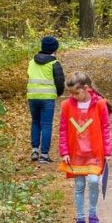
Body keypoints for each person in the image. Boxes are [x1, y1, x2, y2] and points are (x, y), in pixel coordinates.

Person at [59, 71, 112, 223]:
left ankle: (93, 214)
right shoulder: (67, 106)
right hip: (76, 153)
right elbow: (63, 130)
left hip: (94, 153)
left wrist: (107, 150)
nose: (73, 96)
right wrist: (64, 151)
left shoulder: (100, 104)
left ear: (87, 88)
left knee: (94, 182)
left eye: (76, 92)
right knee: (79, 185)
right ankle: (80, 217)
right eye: (70, 93)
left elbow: (105, 128)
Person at [27, 35, 65, 163]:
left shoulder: (32, 62)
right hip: (47, 98)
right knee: (46, 125)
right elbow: (60, 82)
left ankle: (34, 150)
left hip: (32, 97)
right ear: (55, 49)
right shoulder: (54, 63)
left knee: (35, 122)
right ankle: (44, 155)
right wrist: (57, 94)